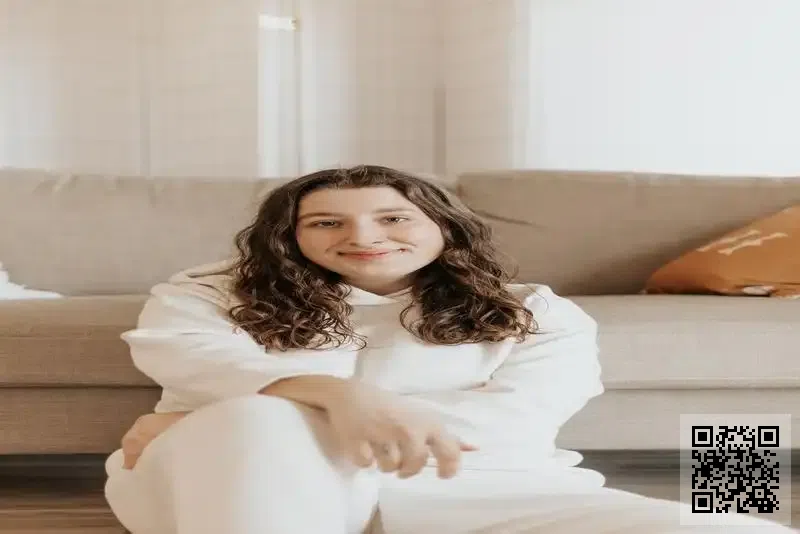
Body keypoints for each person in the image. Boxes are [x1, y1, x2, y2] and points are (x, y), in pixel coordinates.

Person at [104, 165, 794, 534]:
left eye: (393, 216)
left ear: (444, 227)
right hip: (236, 491)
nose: (363, 236)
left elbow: (515, 425)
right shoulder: (207, 294)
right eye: (327, 222)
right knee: (257, 421)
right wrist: (333, 396)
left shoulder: (536, 311)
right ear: (289, 237)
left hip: (476, 495)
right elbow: (190, 358)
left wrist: (200, 419)